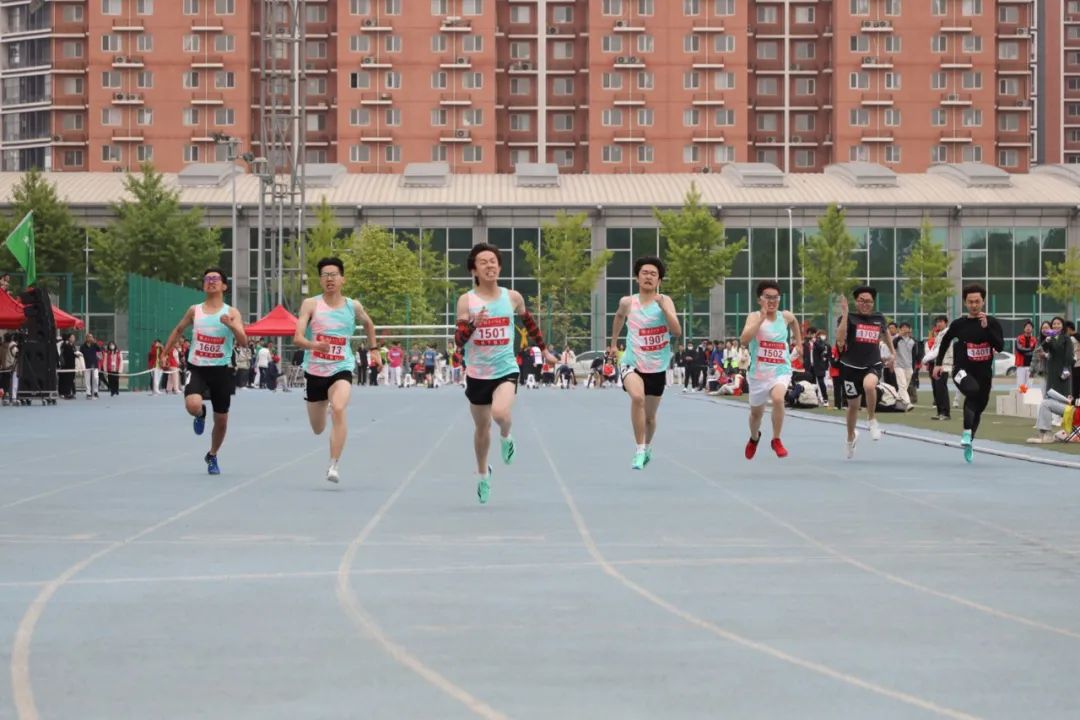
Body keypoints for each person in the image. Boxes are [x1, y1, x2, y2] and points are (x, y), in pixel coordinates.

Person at [455, 242, 555, 504]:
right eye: (483, 262)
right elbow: (459, 340)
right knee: (481, 428)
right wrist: (474, 324)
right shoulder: (467, 300)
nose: (490, 265)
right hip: (477, 373)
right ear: (474, 270)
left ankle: (506, 436)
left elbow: (529, 324)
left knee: (500, 414)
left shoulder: (512, 297)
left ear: (499, 267)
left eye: (493, 261)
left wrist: (544, 350)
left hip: (505, 369)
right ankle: (483, 475)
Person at [293, 257, 376, 484]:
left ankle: (334, 465)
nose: (329, 279)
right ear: (320, 280)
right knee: (318, 428)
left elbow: (369, 324)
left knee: (339, 408)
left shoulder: (353, 306)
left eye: (334, 275)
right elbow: (297, 337)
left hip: (341, 367)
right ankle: (322, 405)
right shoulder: (311, 304)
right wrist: (313, 345)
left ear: (342, 279)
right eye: (325, 275)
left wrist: (374, 349)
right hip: (315, 371)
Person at [163, 268, 247, 475]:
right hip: (197, 367)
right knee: (192, 405)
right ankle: (200, 413)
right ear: (203, 285)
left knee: (222, 421)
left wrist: (232, 326)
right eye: (207, 279)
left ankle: (212, 454)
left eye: (215, 278)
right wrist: (165, 352)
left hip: (221, 370)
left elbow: (243, 341)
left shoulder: (232, 312)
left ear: (224, 286)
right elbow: (178, 330)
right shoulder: (195, 310)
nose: (211, 281)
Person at [609, 256, 682, 470]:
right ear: (637, 278)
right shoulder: (627, 302)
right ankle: (639, 449)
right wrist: (613, 344)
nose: (648, 277)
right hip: (632, 362)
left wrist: (665, 309)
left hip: (657, 366)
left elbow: (677, 331)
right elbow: (619, 317)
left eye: (653, 274)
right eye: (644, 273)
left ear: (659, 280)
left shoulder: (665, 301)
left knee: (650, 418)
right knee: (637, 398)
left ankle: (647, 447)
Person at [931, 284, 1004, 463]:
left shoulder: (992, 323)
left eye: (977, 301)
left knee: (979, 406)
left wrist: (987, 328)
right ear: (965, 302)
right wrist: (938, 364)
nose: (974, 305)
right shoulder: (959, 324)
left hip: (984, 373)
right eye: (970, 302)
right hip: (961, 370)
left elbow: (1000, 346)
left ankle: (969, 439)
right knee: (971, 390)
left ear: (983, 301)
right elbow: (945, 341)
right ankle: (965, 432)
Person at [740, 280, 802, 460]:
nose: (772, 301)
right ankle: (754, 437)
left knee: (778, 398)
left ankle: (776, 439)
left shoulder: (785, 316)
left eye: (776, 298)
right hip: (759, 374)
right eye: (768, 297)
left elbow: (794, 322)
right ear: (760, 299)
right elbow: (744, 340)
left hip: (780, 369)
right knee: (755, 415)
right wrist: (761, 319)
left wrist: (798, 343)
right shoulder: (753, 317)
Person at [836, 286, 895, 459]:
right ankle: (850, 437)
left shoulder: (879, 318)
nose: (865, 304)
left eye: (868, 301)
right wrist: (845, 314)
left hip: (872, 363)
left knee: (869, 386)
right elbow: (840, 340)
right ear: (856, 302)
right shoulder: (849, 318)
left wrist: (893, 353)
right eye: (861, 301)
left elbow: (886, 334)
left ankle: (871, 419)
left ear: (873, 303)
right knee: (853, 407)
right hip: (850, 367)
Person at [1040, 317, 1073, 398]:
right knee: (1052, 391)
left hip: (1063, 368)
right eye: (1054, 324)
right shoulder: (1050, 337)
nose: (1056, 325)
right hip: (1052, 368)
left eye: (1058, 324)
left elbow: (1069, 354)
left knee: (1063, 392)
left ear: (1062, 325)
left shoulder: (1066, 338)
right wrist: (1046, 340)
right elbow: (1044, 348)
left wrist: (1066, 368)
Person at [892, 322, 916, 410]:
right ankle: (908, 403)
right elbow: (893, 346)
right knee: (902, 385)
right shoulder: (896, 339)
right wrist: (899, 336)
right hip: (898, 365)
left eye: (906, 327)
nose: (904, 329)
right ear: (900, 329)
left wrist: (914, 367)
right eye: (903, 327)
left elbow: (914, 355)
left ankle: (896, 399)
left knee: (904, 386)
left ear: (909, 329)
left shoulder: (913, 341)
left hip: (909, 366)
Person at [1015, 320, 1036, 390]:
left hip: (1031, 367)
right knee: (1020, 387)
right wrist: (1031, 349)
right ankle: (1020, 397)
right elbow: (1019, 349)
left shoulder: (1034, 340)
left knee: (1029, 387)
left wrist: (1028, 350)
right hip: (1021, 366)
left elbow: (1035, 352)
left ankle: (1028, 397)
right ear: (1024, 329)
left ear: (1032, 329)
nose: (1028, 328)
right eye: (1027, 326)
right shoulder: (1019, 338)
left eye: (1030, 326)